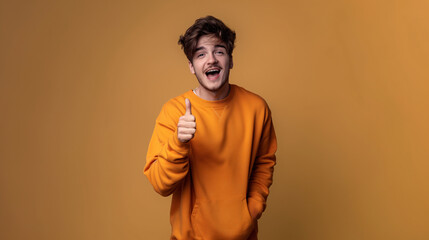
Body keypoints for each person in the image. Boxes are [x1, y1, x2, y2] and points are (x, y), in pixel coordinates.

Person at [144, 15, 277, 240]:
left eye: (219, 51)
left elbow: (264, 163)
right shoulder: (174, 112)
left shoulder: (256, 108)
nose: (211, 60)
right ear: (191, 66)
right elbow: (160, 184)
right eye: (201, 54)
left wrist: (252, 208)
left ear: (230, 60)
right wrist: (178, 142)